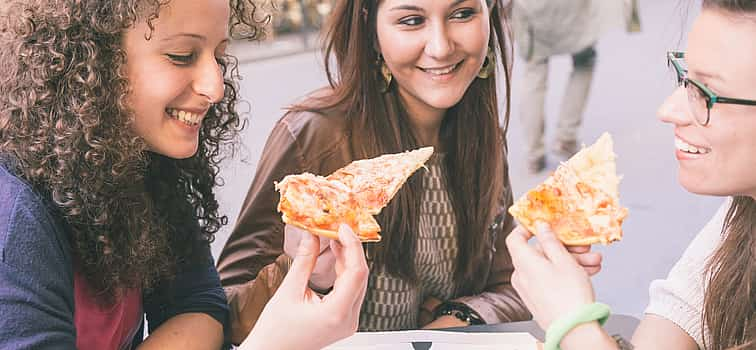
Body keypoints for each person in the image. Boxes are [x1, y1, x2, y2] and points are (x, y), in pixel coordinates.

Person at [217, 0, 601, 341]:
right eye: (411, 20)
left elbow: (507, 282)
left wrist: (461, 317)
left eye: (463, 13)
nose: (441, 46)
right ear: (371, 29)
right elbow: (225, 314)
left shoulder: (481, 136)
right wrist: (304, 273)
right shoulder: (315, 137)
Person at [0, 0, 367, 349]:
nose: (216, 87)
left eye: (219, 57)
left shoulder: (140, 166)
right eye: (181, 56)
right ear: (86, 61)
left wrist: (312, 273)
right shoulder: (14, 215)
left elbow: (198, 306)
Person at [505, 1, 756, 349]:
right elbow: (680, 312)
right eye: (684, 77)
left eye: (707, 94)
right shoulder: (742, 210)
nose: (667, 110)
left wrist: (573, 324)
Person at [510, 0, 604, 173]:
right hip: (573, 7)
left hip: (529, 8)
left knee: (534, 71)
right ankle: (566, 136)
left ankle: (534, 153)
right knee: (585, 61)